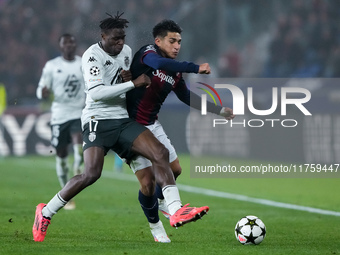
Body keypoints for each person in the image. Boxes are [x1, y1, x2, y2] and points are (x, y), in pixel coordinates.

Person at [32, 13, 209, 243]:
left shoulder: (126, 52)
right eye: (115, 39)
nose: (120, 43)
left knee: (159, 155)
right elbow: (95, 93)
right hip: (98, 118)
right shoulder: (91, 56)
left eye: (123, 38)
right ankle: (46, 212)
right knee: (91, 173)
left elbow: (131, 76)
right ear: (103, 37)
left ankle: (175, 211)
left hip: (123, 119)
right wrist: (132, 83)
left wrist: (129, 79)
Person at [126, 19, 235, 243]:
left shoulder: (175, 73)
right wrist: (195, 67)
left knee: (175, 169)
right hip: (132, 126)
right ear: (158, 41)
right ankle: (157, 225)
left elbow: (186, 97)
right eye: (172, 41)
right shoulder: (148, 54)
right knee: (147, 183)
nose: (177, 46)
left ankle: (165, 202)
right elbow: (159, 63)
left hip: (153, 125)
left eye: (179, 42)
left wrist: (218, 110)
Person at [36, 34, 85, 210]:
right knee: (61, 156)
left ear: (75, 44)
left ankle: (78, 164)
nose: (69, 45)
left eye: (72, 42)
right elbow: (41, 89)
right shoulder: (52, 66)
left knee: (78, 144)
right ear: (61, 46)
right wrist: (42, 93)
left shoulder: (83, 63)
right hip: (59, 115)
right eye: (66, 43)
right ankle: (66, 194)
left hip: (78, 112)